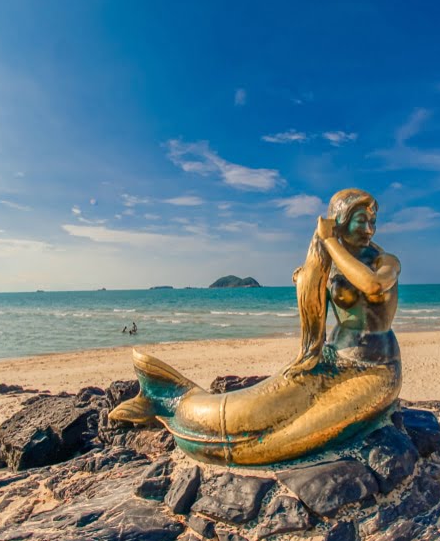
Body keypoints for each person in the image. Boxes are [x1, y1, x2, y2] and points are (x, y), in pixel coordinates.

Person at [109, 188, 402, 465]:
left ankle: (204, 435)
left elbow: (373, 286)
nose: (370, 230)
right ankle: (170, 400)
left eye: (373, 222)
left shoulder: (385, 260)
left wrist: (329, 242)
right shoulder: (332, 263)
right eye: (362, 221)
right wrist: (308, 277)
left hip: (375, 366)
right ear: (339, 222)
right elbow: (315, 299)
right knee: (257, 408)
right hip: (332, 357)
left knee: (297, 433)